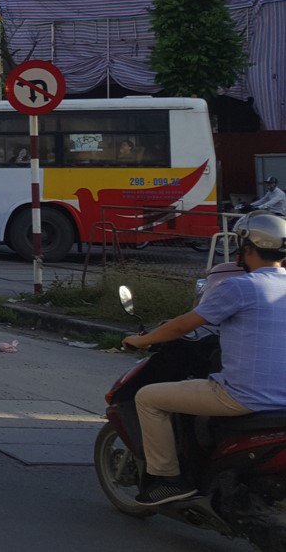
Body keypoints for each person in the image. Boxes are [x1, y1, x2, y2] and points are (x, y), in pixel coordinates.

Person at [123, 211, 286, 505]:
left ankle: (168, 479)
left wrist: (142, 339)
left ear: (246, 249)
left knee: (148, 398)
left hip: (242, 397)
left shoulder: (240, 286)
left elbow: (185, 325)